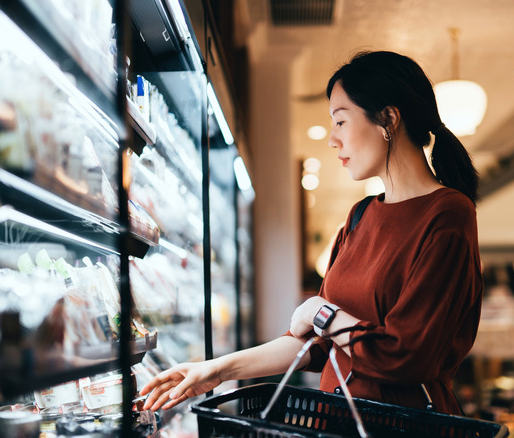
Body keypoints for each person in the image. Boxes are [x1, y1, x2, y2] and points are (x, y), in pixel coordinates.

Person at [140, 50, 483, 415]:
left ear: (388, 119)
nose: (333, 140)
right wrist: (217, 369)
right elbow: (313, 343)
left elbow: (407, 356)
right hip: (336, 424)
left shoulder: (447, 214)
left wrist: (323, 312)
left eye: (341, 121)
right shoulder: (361, 216)